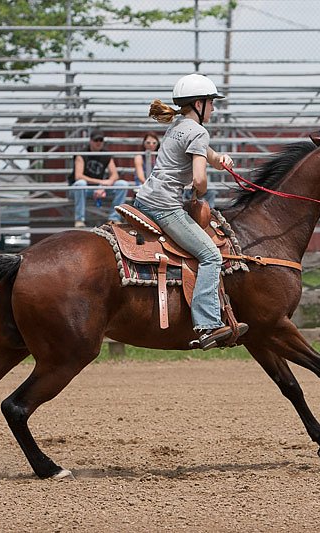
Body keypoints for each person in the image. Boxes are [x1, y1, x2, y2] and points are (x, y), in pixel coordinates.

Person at [132, 73, 248, 350]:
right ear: (199, 103)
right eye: (211, 103)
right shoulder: (198, 131)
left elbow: (204, 152)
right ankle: (207, 324)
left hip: (147, 198)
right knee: (210, 255)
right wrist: (201, 188)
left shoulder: (178, 125)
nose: (213, 108)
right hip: (165, 206)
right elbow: (199, 179)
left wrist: (219, 159)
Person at [69, 129, 128, 227]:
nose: (98, 143)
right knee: (81, 184)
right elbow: (78, 176)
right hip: (81, 189)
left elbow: (115, 174)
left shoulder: (105, 154)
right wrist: (101, 182)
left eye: (100, 140)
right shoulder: (82, 154)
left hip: (100, 188)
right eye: (96, 140)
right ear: (90, 141)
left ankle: (114, 218)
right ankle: (79, 220)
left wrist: (106, 184)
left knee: (123, 184)